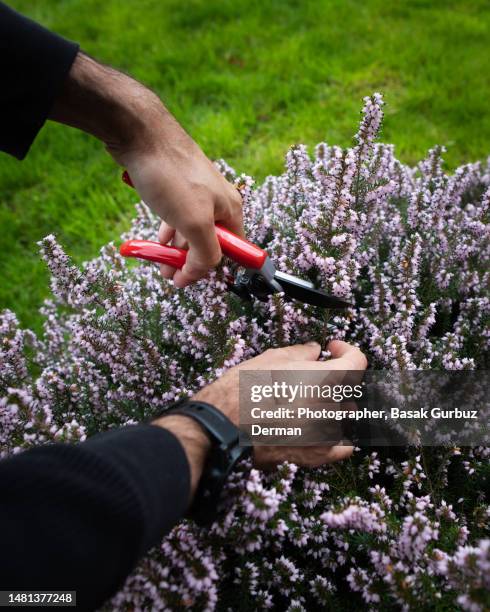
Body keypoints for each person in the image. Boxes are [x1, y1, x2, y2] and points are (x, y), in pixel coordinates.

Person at [0, 3, 368, 610]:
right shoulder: (37, 588)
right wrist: (217, 424)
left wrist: (135, 120)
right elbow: (32, 567)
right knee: (443, 409)